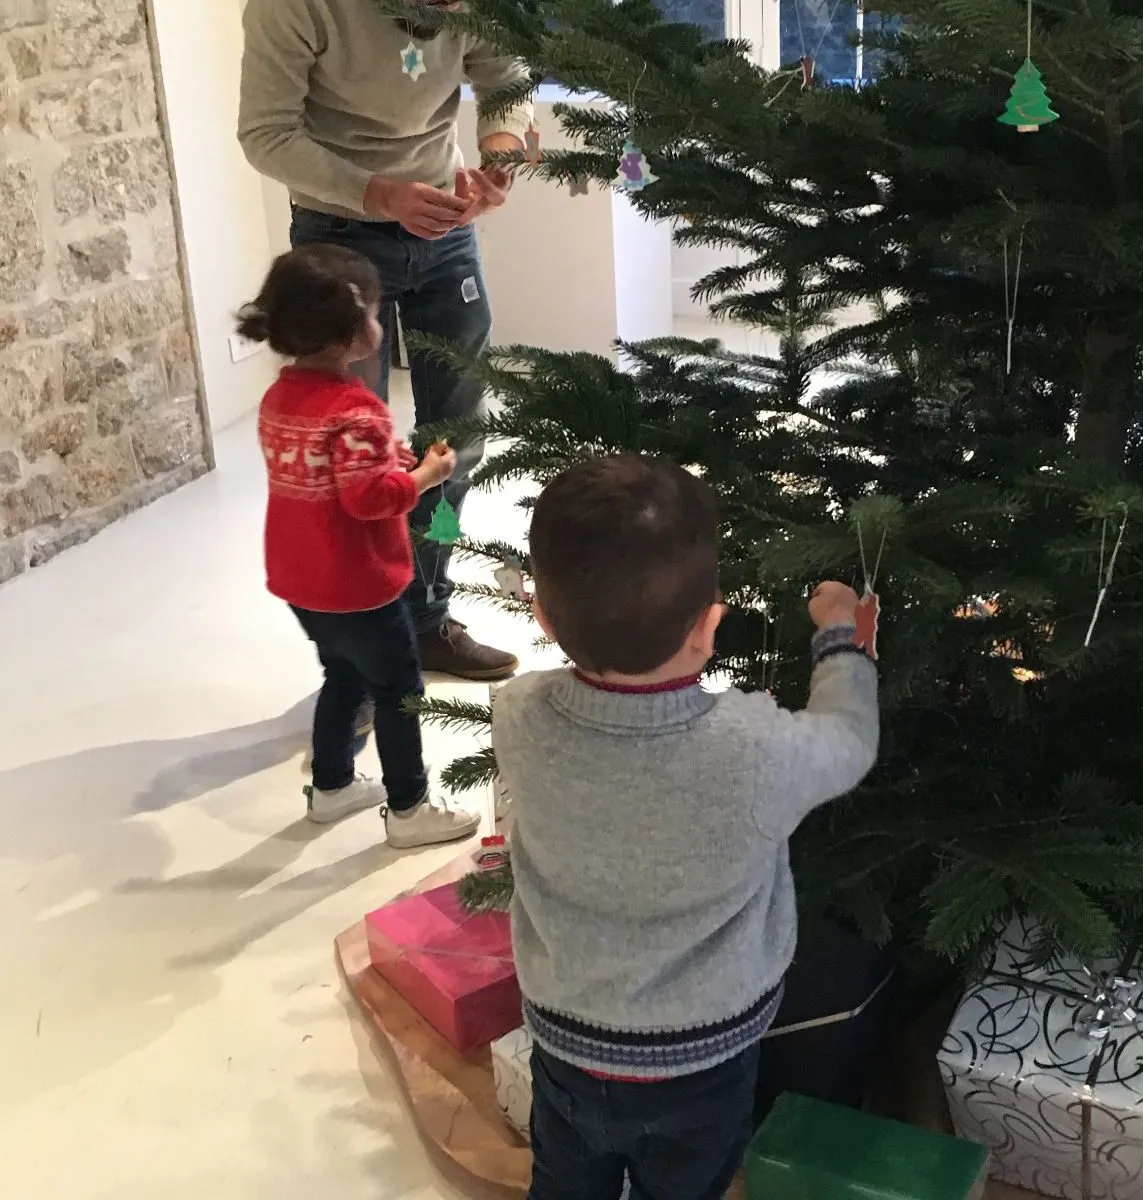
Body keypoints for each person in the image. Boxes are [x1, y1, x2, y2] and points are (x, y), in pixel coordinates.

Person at [490, 454, 881, 1200]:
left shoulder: (517, 714)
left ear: (540, 616)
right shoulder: (754, 749)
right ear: (708, 629)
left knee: (565, 1184)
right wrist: (840, 635)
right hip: (704, 1061)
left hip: (565, 1040)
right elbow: (849, 741)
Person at [239, 0, 532, 682]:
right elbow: (265, 134)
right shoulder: (294, 7)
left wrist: (499, 158)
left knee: (457, 443)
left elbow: (506, 76)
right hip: (338, 234)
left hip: (447, 232)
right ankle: (361, 649)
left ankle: (427, 614)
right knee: (349, 463)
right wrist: (377, 195)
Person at [243, 245, 481, 849]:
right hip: (359, 583)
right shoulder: (358, 412)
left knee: (342, 677)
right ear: (353, 331)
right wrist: (424, 476)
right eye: (377, 313)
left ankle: (331, 787)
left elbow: (328, 476)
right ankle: (408, 808)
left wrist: (385, 461)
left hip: (302, 580)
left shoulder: (280, 398)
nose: (383, 323)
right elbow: (370, 501)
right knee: (399, 693)